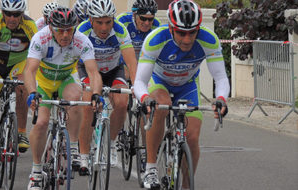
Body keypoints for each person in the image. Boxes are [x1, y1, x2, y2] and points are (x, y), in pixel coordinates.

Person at [133, 0, 230, 189]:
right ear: (170, 28)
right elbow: (139, 82)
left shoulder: (209, 39)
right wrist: (145, 98)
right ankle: (151, 168)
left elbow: (221, 78)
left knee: (192, 137)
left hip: (187, 85)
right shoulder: (155, 39)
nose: (187, 39)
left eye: (192, 32)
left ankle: (186, 185)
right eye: (181, 33)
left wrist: (221, 99)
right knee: (161, 104)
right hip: (159, 82)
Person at [24, 7, 102, 190]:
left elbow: (93, 72)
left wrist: (96, 94)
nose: (66, 34)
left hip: (66, 79)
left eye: (69, 29)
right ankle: (36, 171)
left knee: (75, 98)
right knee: (41, 122)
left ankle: (73, 146)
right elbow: (29, 70)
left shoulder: (82, 41)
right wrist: (32, 92)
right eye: (61, 30)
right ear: (51, 28)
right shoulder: (40, 38)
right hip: (43, 82)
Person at [77, 0, 137, 175]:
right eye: (99, 22)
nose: (104, 27)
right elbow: (73, 60)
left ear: (113, 20)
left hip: (113, 70)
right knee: (89, 105)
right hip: (87, 70)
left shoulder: (120, 30)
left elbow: (132, 63)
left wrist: (138, 88)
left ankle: (110, 143)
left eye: (108, 22)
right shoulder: (82, 31)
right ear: (90, 19)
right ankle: (84, 155)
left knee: (122, 102)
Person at [0, 0, 38, 153]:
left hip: (18, 64)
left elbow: (37, 53)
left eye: (16, 14)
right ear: (3, 13)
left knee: (22, 86)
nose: (12, 18)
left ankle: (21, 132)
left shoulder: (30, 26)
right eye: (8, 14)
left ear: (22, 14)